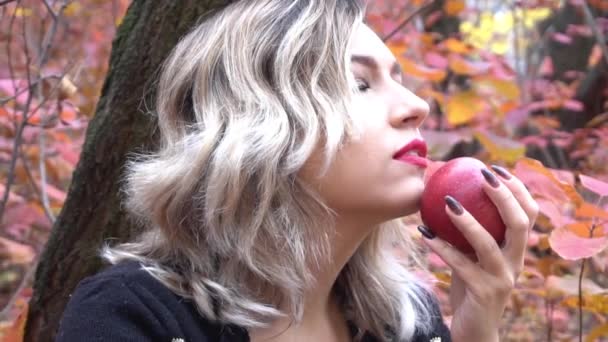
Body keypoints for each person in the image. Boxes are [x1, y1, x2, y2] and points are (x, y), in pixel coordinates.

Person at [56, 0, 539, 341]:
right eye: (360, 84)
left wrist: (477, 334)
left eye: (401, 80)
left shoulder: (407, 324)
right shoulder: (132, 318)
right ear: (258, 124)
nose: (417, 106)